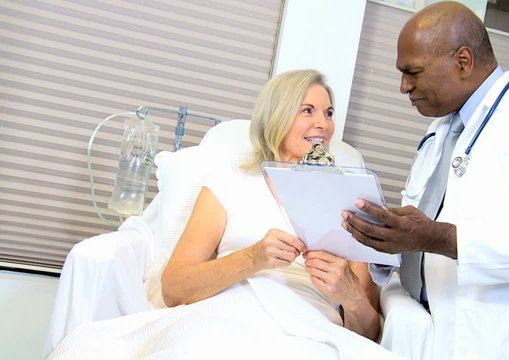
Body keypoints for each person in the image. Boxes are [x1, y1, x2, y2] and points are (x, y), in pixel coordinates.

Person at [48, 70, 399, 359]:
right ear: (276, 115)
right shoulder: (230, 183)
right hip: (222, 311)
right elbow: (174, 288)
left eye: (328, 113)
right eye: (307, 110)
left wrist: (350, 295)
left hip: (308, 328)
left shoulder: (354, 201)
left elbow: (368, 331)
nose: (322, 123)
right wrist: (252, 257)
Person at [342, 2, 509, 360]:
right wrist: (391, 240)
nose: (403, 86)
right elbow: (423, 227)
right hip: (426, 331)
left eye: (413, 72)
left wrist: (437, 237)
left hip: (499, 343)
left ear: (463, 61)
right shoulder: (440, 130)